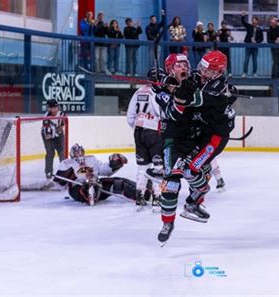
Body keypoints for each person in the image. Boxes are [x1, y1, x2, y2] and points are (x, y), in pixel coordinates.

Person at [155, 51, 236, 243]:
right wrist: (165, 84)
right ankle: (168, 222)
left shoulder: (217, 87)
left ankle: (195, 200)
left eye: (207, 70)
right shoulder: (178, 85)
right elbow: (173, 111)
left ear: (217, 72)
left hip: (210, 136)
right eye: (201, 67)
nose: (200, 71)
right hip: (175, 139)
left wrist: (180, 93)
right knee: (171, 182)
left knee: (192, 171)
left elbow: (194, 98)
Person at [126, 67, 166, 207]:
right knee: (158, 166)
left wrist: (138, 127)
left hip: (138, 131)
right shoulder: (158, 92)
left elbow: (130, 116)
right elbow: (162, 113)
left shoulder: (138, 92)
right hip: (154, 132)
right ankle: (157, 197)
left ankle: (140, 196)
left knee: (142, 167)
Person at [54, 144, 133, 206]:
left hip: (97, 185)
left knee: (118, 183)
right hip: (77, 188)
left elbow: (103, 169)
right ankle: (90, 193)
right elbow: (60, 185)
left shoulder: (91, 159)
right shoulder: (67, 163)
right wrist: (63, 176)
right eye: (77, 152)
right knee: (87, 186)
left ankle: (141, 192)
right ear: (72, 153)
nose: (79, 154)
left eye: (81, 151)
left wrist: (114, 164)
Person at [42, 99, 66, 180]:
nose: (55, 109)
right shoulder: (46, 117)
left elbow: (61, 128)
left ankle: (64, 172)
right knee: (50, 153)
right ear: (49, 108)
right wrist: (55, 131)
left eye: (56, 107)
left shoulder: (62, 114)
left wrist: (56, 131)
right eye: (53, 107)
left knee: (62, 153)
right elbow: (47, 135)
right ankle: (48, 173)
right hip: (48, 137)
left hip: (59, 136)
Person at [241, 11, 264, 78]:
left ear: (257, 22)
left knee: (254, 60)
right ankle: (245, 73)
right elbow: (243, 23)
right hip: (248, 45)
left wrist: (256, 41)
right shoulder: (249, 26)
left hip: (255, 47)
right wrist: (243, 16)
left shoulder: (260, 29)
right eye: (252, 21)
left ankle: (254, 73)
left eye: (254, 21)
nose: (253, 22)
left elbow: (262, 39)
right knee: (246, 60)